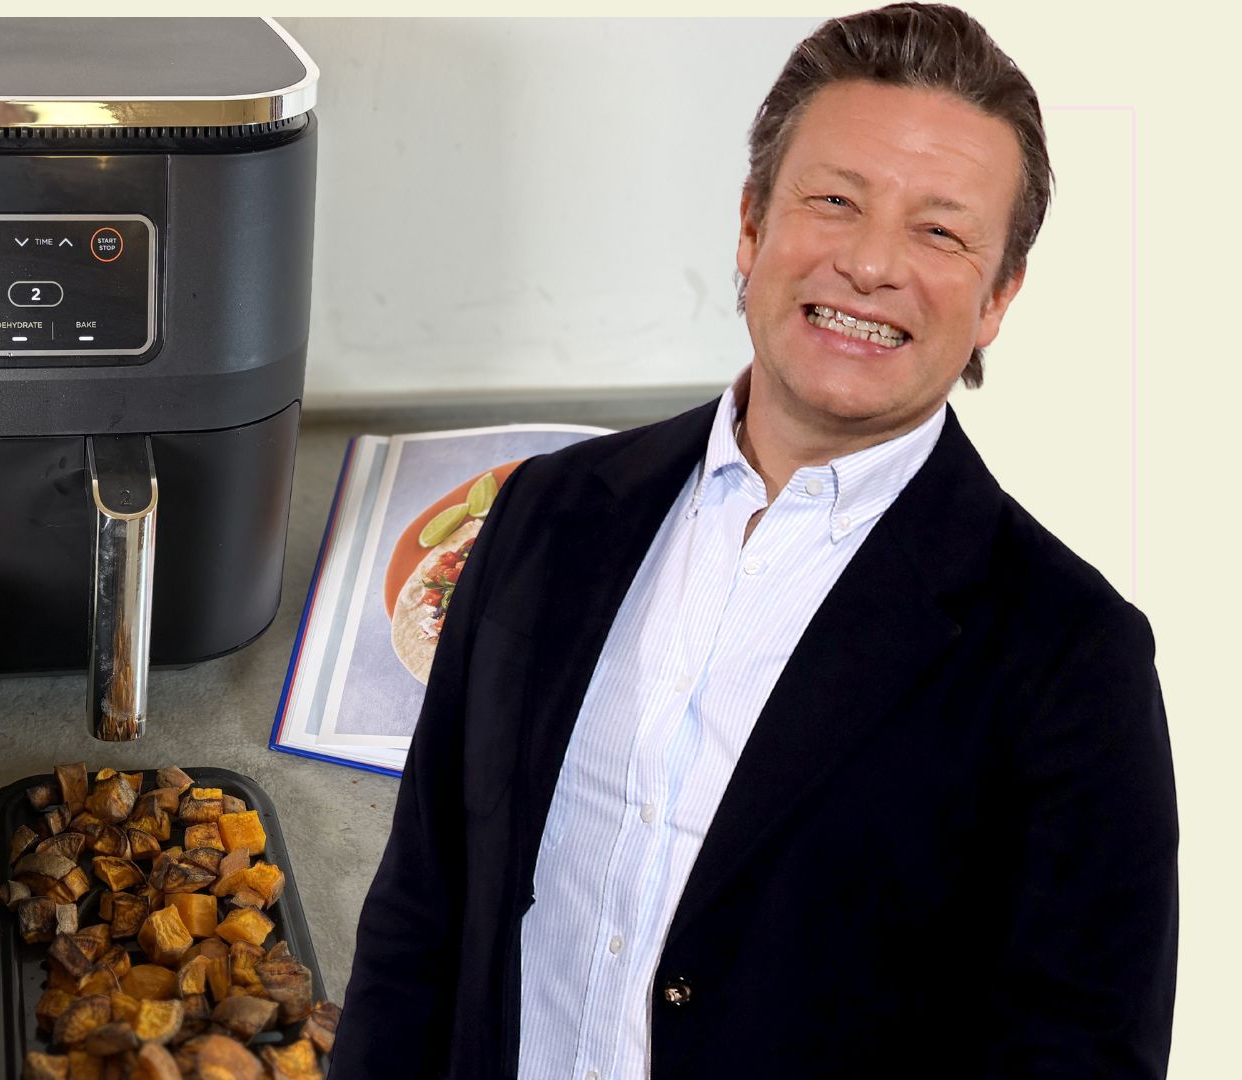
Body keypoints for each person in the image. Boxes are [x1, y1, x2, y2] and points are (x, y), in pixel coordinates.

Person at [330, 6, 1177, 1078]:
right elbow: (421, 911)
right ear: (750, 226)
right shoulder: (550, 512)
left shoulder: (1073, 659)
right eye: (833, 201)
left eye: (941, 232)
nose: (871, 264)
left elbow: (1079, 1058)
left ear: (998, 297)